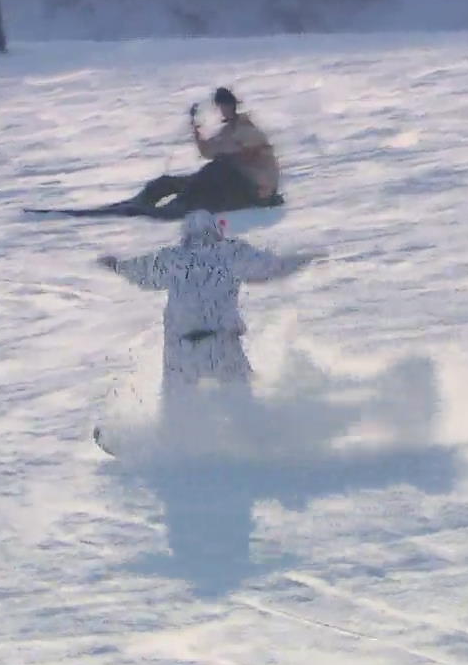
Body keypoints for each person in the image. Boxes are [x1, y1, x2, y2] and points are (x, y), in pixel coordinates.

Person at [96, 210, 318, 420]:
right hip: (223, 343)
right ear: (215, 231)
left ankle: (174, 444)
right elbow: (272, 268)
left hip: (182, 348)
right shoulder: (232, 253)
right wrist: (305, 258)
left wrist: (115, 266)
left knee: (178, 406)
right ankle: (256, 438)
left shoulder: (172, 259)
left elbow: (139, 271)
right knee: (241, 400)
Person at [122, 87, 283, 220]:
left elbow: (251, 156)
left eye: (225, 106)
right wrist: (196, 128)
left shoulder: (248, 130)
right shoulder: (227, 132)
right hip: (228, 183)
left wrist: (229, 157)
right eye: (221, 107)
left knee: (212, 172)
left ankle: (178, 206)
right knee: (179, 181)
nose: (223, 111)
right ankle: (145, 198)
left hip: (252, 189)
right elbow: (209, 151)